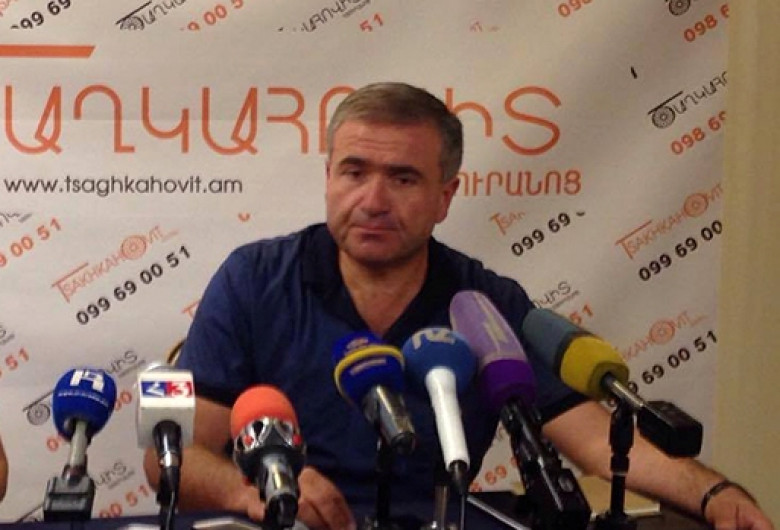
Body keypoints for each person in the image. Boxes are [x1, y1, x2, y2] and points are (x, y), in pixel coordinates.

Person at [144, 82, 773, 530]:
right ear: (328, 176)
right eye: (354, 172)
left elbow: (592, 439)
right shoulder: (253, 280)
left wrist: (716, 493)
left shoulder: (482, 303)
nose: (373, 200)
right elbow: (168, 457)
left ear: (446, 196)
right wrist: (254, 490)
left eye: (403, 178)